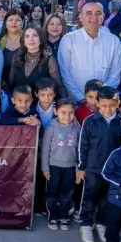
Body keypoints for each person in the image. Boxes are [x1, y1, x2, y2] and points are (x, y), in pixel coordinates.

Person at [76, 85, 121, 242]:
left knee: (106, 199)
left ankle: (102, 223)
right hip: (92, 169)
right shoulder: (90, 122)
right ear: (97, 103)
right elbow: (83, 145)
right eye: (103, 105)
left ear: (118, 103)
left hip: (112, 172)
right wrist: (81, 167)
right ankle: (86, 224)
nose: (108, 109)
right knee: (89, 197)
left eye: (112, 105)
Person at [58, 1, 121, 103]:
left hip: (104, 105)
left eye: (98, 13)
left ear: (103, 16)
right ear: (81, 17)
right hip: (76, 103)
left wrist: (102, 98)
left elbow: (115, 74)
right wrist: (81, 99)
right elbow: (65, 74)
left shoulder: (113, 41)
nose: (94, 17)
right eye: (89, 13)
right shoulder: (68, 40)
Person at [42, 98, 80, 231]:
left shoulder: (76, 127)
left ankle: (64, 216)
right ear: (56, 112)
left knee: (67, 193)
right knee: (52, 192)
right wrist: (45, 167)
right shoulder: (51, 128)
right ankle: (52, 215)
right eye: (63, 112)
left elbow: (79, 149)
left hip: (70, 167)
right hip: (53, 167)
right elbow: (45, 149)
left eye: (71, 112)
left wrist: (78, 168)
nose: (67, 116)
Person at [9, 27, 65, 97]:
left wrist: (64, 103)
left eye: (35, 35)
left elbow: (58, 86)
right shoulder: (17, 57)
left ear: (41, 39)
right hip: (21, 104)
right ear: (24, 41)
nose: (31, 39)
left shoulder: (49, 59)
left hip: (42, 104)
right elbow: (11, 84)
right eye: (27, 36)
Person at [0, 10, 25, 88]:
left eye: (18, 20)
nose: (14, 22)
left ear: (23, 22)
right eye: (10, 20)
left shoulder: (29, 39)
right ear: (5, 22)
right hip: (2, 87)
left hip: (25, 87)